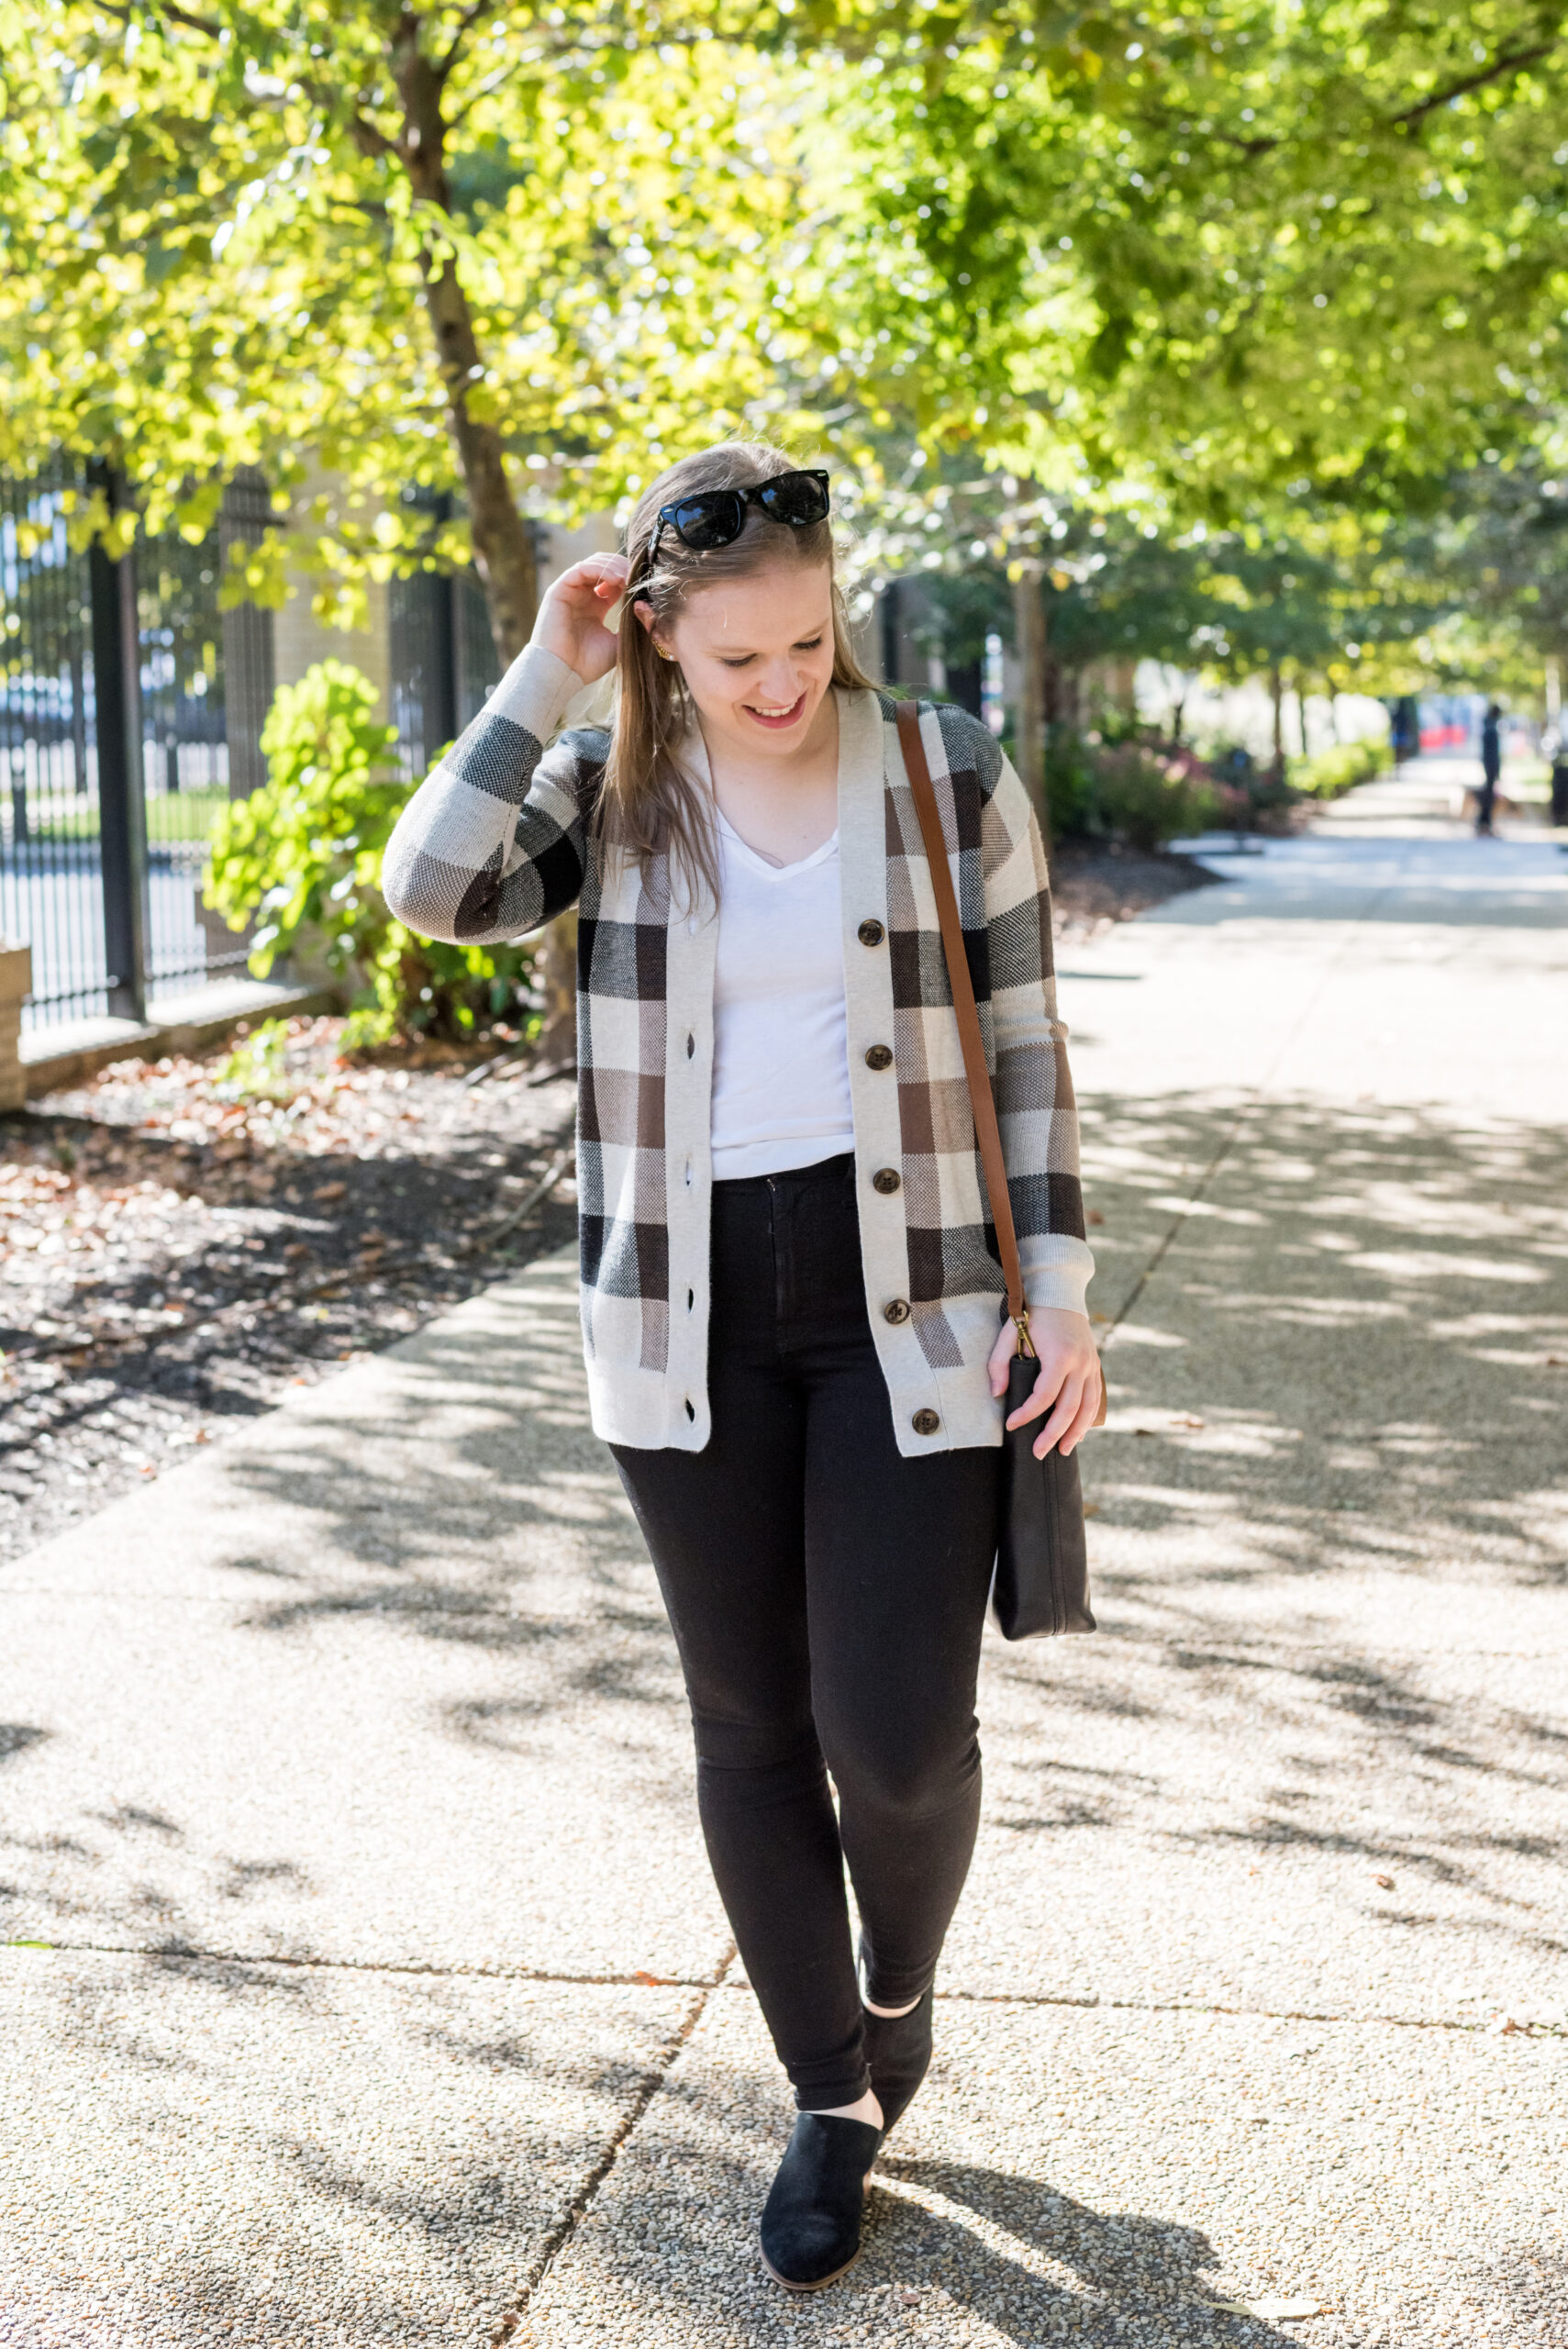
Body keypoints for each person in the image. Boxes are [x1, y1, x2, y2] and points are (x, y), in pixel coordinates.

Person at [382, 441, 1101, 2292]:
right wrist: (547, 670)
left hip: (912, 1313)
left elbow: (1020, 1037)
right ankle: (827, 2096)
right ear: (659, 647)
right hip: (682, 1319)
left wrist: (1066, 1294)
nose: (778, 687)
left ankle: (894, 1981)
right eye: (734, 662)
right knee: (748, 1727)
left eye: (803, 643)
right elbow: (429, 889)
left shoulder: (941, 769)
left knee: (898, 1734)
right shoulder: (607, 782)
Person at [1477, 701, 1503, 835]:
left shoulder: (1489, 726)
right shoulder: (1491, 728)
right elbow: (1492, 751)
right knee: (1488, 795)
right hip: (1490, 765)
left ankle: (1485, 822)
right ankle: (1484, 822)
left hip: (1490, 764)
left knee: (1489, 794)